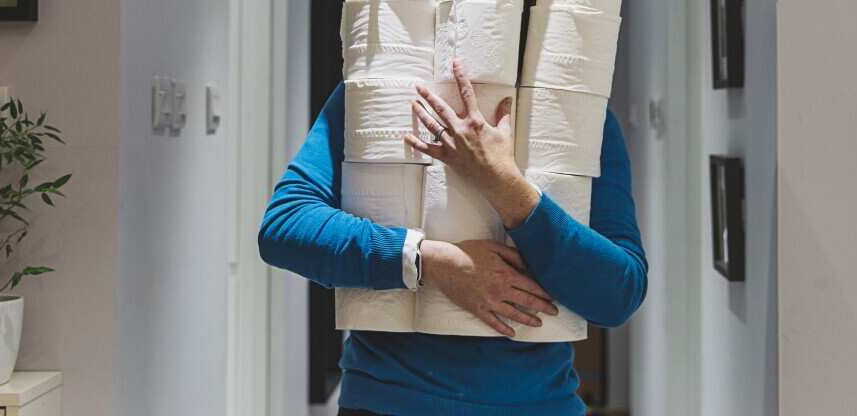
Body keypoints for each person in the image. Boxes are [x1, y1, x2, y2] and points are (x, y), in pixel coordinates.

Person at [258, 59, 647, 415]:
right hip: (388, 402)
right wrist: (428, 261)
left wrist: (504, 186)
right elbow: (286, 225)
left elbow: (619, 293)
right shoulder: (378, 92)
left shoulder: (581, 115)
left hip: (538, 404)